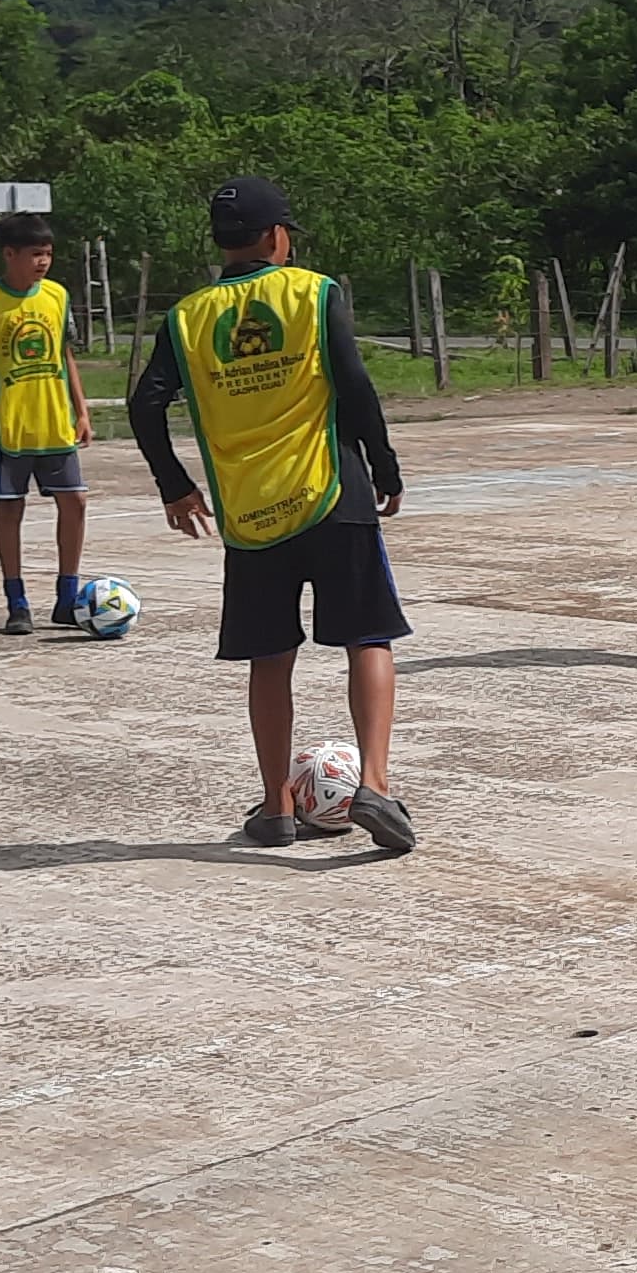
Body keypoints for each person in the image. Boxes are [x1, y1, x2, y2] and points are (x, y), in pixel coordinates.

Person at [124, 175, 417, 854]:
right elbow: (353, 383)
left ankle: (277, 805)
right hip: (332, 492)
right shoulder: (313, 292)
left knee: (269, 656)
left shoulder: (188, 317)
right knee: (368, 638)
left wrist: (175, 486)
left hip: (250, 510)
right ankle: (374, 784)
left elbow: (145, 405)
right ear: (276, 236)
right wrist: (385, 466)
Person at [0, 210, 96, 634]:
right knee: (10, 508)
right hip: (5, 425)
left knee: (75, 501)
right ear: (9, 254)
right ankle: (17, 601)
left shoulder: (57, 297)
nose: (43, 262)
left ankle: (67, 597)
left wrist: (82, 411)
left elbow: (65, 356)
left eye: (47, 253)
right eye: (34, 254)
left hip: (53, 421)